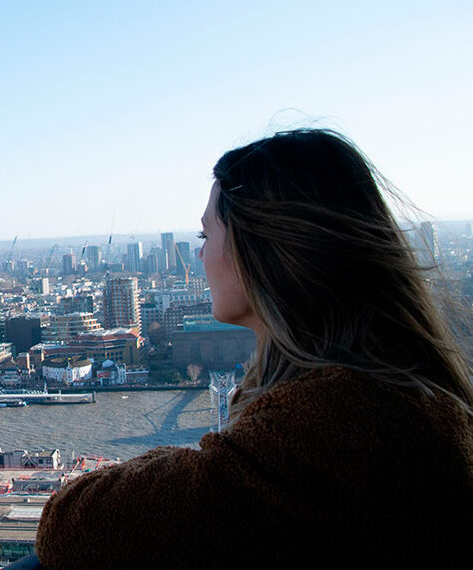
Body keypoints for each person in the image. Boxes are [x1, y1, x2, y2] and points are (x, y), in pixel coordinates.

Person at [34, 129, 473, 568]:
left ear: (258, 249)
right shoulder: (395, 386)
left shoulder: (331, 423)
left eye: (205, 236)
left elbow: (71, 527)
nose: (201, 257)